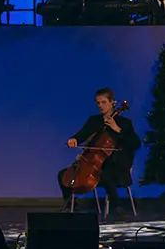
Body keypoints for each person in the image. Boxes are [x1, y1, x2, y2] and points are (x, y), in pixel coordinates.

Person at [59, 87, 140, 215]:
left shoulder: (124, 123)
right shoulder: (94, 120)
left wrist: (117, 129)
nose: (100, 106)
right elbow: (83, 134)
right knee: (63, 175)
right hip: (95, 165)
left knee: (106, 172)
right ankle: (70, 206)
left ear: (112, 102)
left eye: (103, 102)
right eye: (98, 103)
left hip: (117, 167)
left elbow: (135, 143)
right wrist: (74, 139)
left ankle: (117, 206)